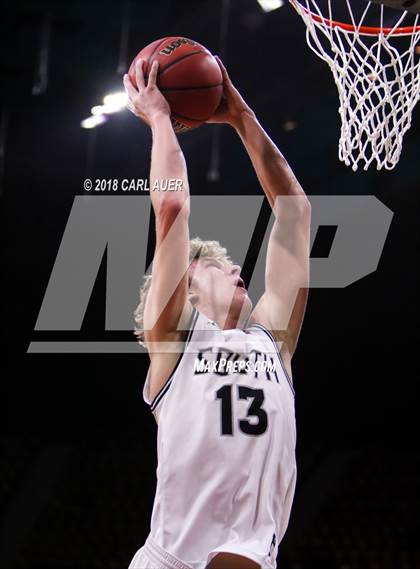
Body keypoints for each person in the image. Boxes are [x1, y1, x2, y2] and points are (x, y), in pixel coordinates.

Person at [123, 55, 311, 569]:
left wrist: (241, 116)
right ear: (186, 285)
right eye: (216, 264)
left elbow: (295, 214)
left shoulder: (272, 340)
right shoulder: (176, 342)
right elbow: (171, 207)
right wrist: (160, 118)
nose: (234, 270)